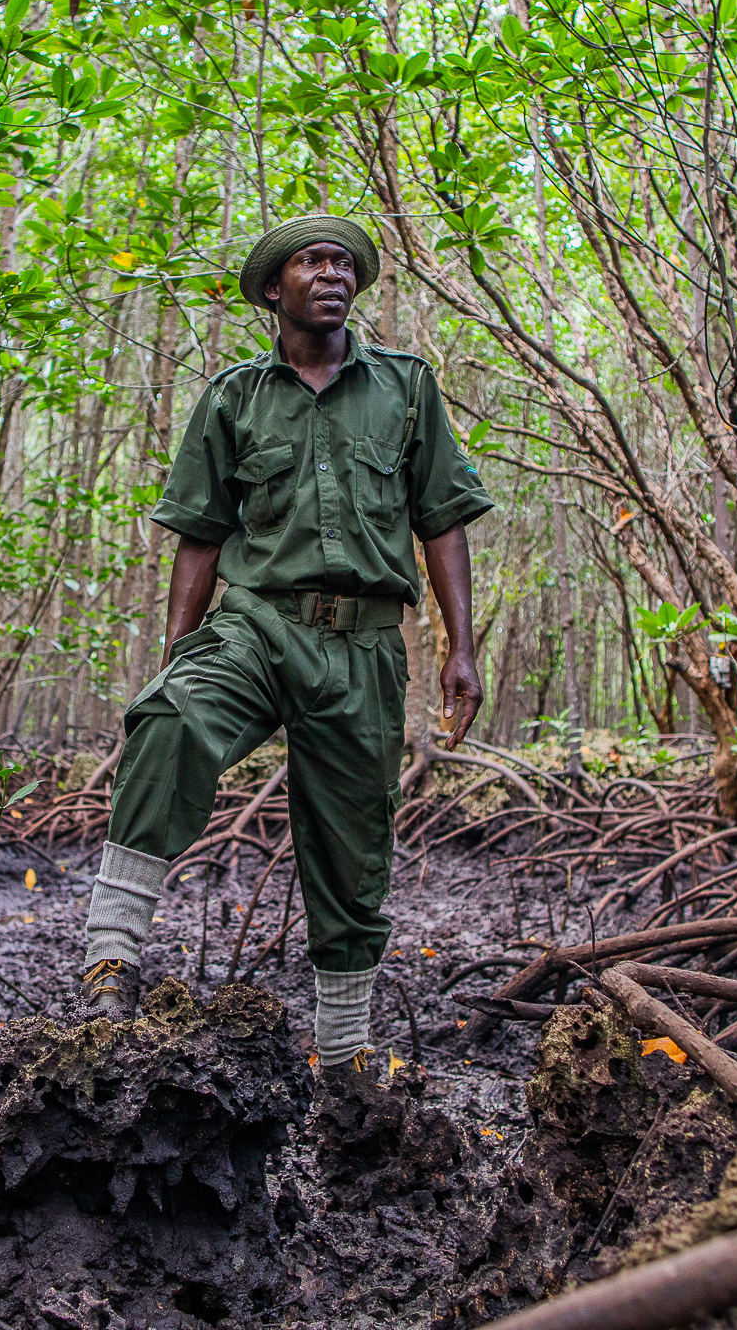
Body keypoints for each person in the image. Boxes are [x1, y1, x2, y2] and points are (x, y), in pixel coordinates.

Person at [78, 213, 494, 1087]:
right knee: (170, 718)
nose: (333, 274)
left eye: (345, 264)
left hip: (365, 644)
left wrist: (462, 648)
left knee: (352, 853)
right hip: (257, 622)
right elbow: (199, 534)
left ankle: (342, 1061)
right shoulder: (233, 398)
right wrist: (177, 653)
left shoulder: (408, 389)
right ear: (276, 290)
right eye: (312, 262)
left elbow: (443, 519)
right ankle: (111, 961)